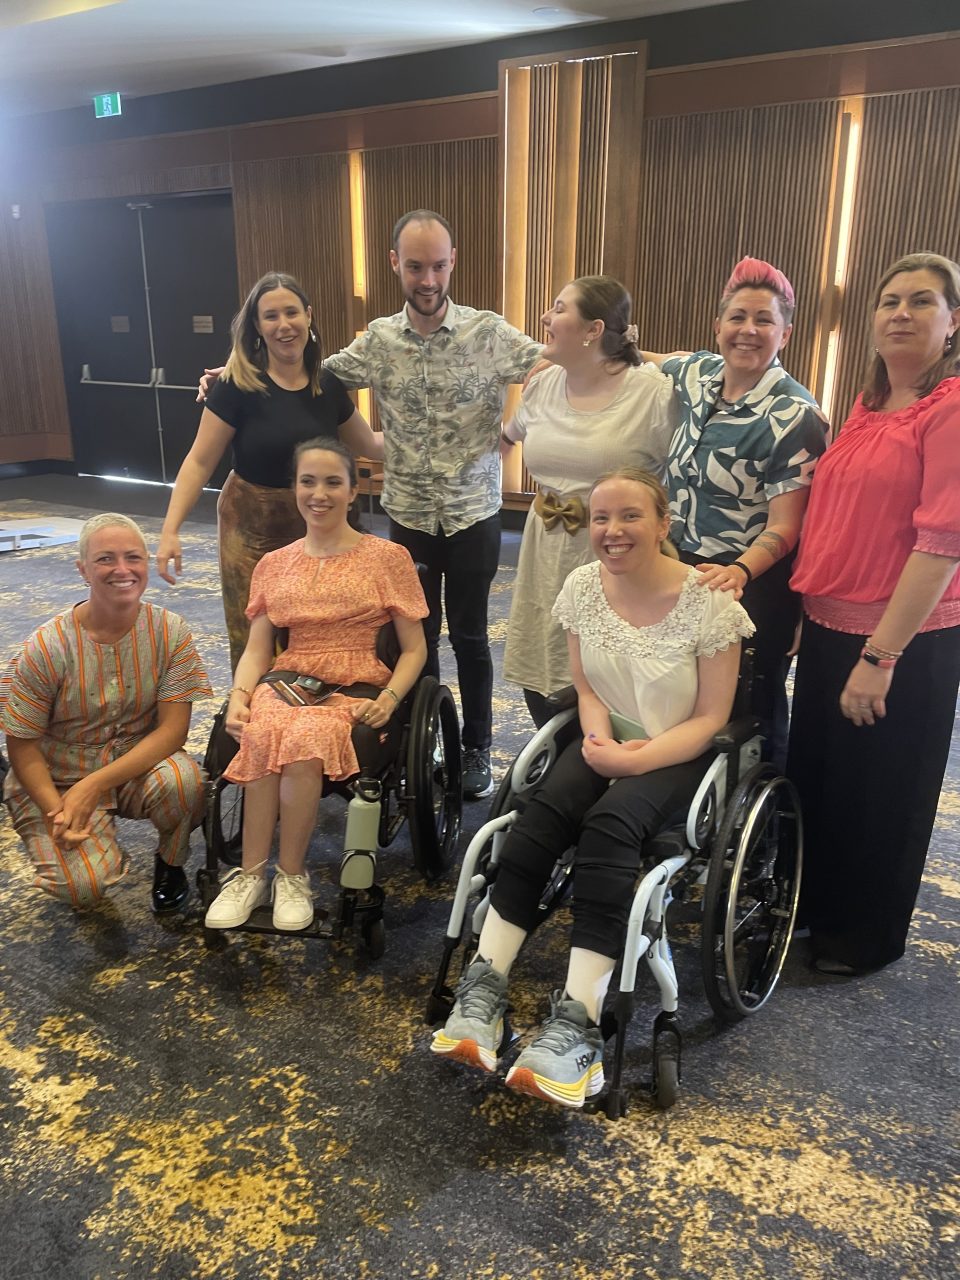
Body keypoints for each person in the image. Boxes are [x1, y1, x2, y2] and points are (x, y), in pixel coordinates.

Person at [430, 468, 753, 1107]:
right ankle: (485, 989)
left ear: (664, 524)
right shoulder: (583, 587)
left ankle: (577, 1026)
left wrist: (636, 763)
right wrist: (601, 744)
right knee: (540, 813)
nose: (611, 530)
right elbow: (586, 688)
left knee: (610, 828)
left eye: (630, 516)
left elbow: (713, 719)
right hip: (608, 736)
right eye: (600, 517)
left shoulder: (713, 605)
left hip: (680, 749)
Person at [201, 213, 543, 798]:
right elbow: (303, 376)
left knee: (470, 636)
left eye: (437, 265)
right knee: (414, 638)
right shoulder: (378, 342)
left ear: (453, 260)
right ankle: (422, 742)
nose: (427, 278)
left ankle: (478, 749)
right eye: (415, 267)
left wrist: (514, 429)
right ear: (396, 266)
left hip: (473, 512)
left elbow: (556, 369)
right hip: (407, 513)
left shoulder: (489, 333)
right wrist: (233, 378)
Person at [788, 251, 960, 976]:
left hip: (902, 643)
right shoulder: (864, 406)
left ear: (952, 324)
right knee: (824, 785)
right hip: (830, 628)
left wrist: (881, 657)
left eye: (922, 302)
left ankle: (865, 937)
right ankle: (814, 909)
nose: (900, 313)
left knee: (883, 798)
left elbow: (942, 543)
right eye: (890, 300)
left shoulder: (949, 408)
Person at [204, 439, 428, 932]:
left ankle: (291, 876)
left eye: (332, 482)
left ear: (353, 491)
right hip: (290, 677)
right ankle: (250, 876)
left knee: (303, 742)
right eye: (308, 481)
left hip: (358, 680)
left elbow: (415, 649)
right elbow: (259, 649)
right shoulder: (274, 563)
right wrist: (240, 696)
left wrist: (393, 698)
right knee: (258, 730)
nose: (318, 493)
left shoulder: (387, 558)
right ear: (295, 488)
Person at [647, 258, 828, 759]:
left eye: (764, 321)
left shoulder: (795, 414)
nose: (748, 330)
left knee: (752, 704)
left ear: (785, 334)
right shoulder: (701, 373)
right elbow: (652, 357)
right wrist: (567, 359)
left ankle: (767, 820)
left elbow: (787, 526)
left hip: (752, 581)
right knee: (687, 692)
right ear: (719, 324)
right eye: (738, 318)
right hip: (682, 570)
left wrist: (737, 572)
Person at [158, 272, 383, 669]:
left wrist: (440, 438)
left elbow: (369, 445)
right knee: (254, 639)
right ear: (258, 327)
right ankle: (254, 722)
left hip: (317, 525)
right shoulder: (235, 386)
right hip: (251, 532)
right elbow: (199, 461)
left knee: (319, 633)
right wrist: (170, 530)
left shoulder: (326, 386)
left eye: (291, 312)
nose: (284, 325)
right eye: (271, 316)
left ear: (309, 317)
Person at [0, 514, 212, 913]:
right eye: (104, 560)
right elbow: (22, 745)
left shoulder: (171, 632)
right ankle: (93, 850)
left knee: (186, 782)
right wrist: (56, 809)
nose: (122, 569)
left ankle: (171, 863)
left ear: (146, 563)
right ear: (82, 570)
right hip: (57, 775)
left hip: (132, 763)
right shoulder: (45, 648)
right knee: (81, 889)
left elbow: (172, 732)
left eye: (133, 557)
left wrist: (95, 785)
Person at [500, 275, 676, 727]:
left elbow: (680, 472)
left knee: (610, 668)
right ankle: (553, 763)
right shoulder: (542, 384)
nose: (545, 316)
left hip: (613, 548)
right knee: (545, 659)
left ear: (593, 330)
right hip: (546, 543)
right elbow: (506, 438)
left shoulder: (651, 392)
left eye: (559, 308)